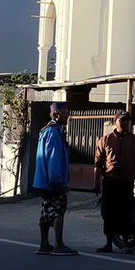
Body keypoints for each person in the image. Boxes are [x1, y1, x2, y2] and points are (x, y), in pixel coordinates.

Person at [94, 110, 135, 254]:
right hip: (110, 182)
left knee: (126, 214)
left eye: (127, 120)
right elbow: (98, 163)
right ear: (115, 121)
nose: (125, 122)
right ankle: (108, 243)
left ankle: (125, 244)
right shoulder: (105, 140)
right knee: (109, 214)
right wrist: (96, 182)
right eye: (122, 120)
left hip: (126, 183)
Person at [33, 102, 77, 256]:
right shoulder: (53, 133)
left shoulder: (49, 131)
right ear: (55, 114)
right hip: (52, 181)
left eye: (67, 112)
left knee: (46, 210)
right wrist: (57, 181)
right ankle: (59, 245)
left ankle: (44, 244)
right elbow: (53, 158)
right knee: (58, 211)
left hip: (43, 181)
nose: (67, 115)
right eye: (64, 113)